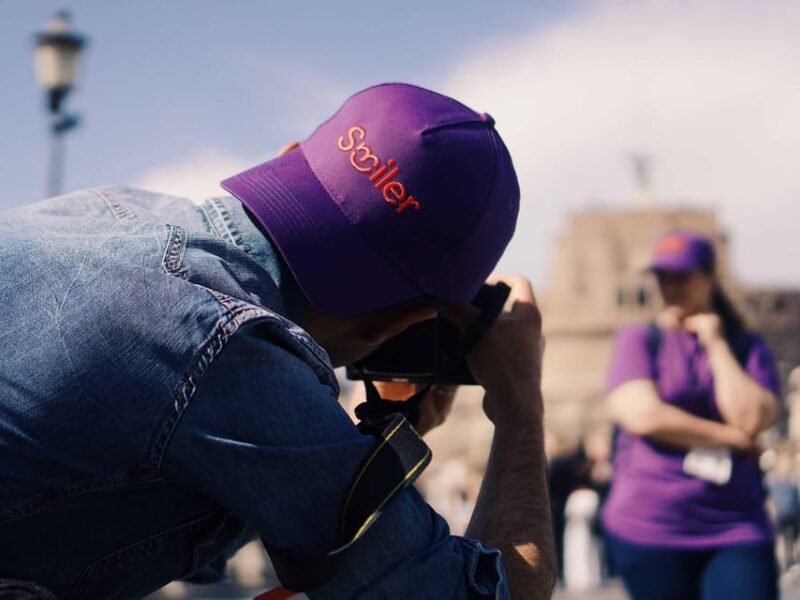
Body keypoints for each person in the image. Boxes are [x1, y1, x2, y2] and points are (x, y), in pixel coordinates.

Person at [0, 83, 555, 599]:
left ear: (294, 155)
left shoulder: (113, 208)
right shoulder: (230, 350)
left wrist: (364, 451)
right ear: (399, 323)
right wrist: (520, 403)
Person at [602, 231, 782, 600]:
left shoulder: (747, 347)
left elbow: (749, 417)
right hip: (650, 525)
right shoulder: (638, 339)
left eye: (681, 275)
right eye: (662, 276)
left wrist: (715, 343)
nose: (670, 286)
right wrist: (732, 438)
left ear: (710, 277)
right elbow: (643, 416)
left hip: (737, 524)